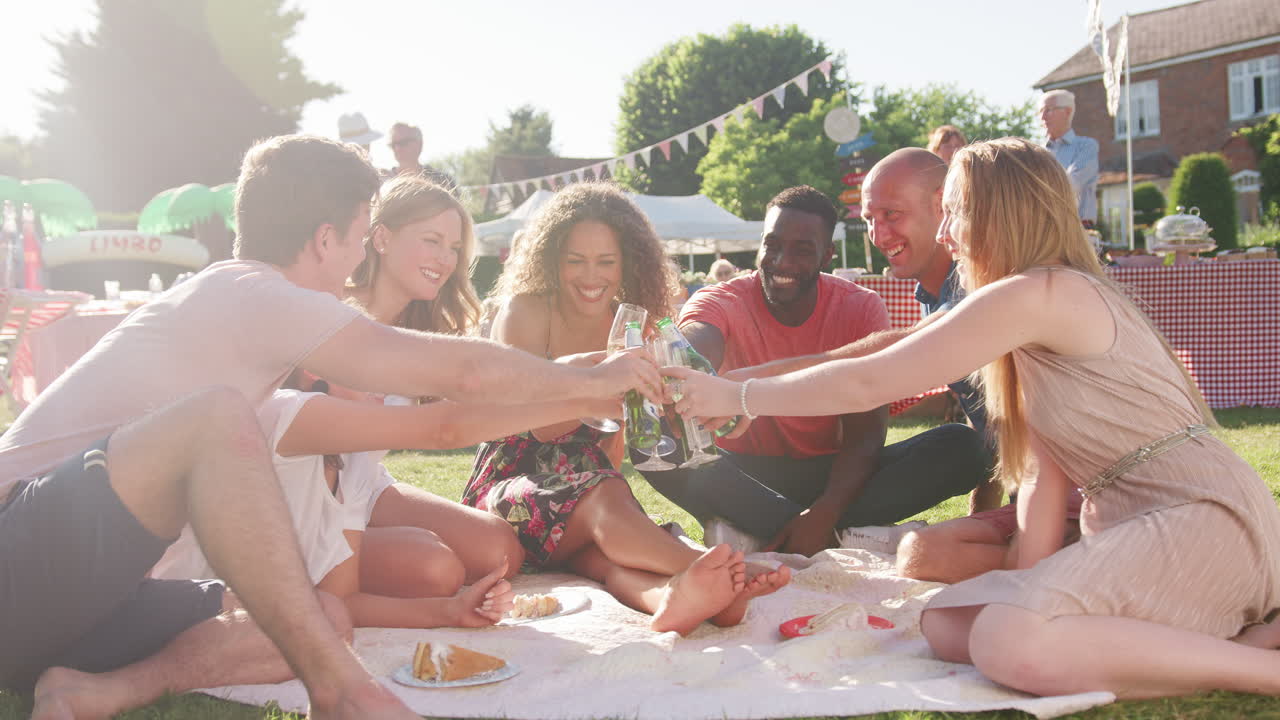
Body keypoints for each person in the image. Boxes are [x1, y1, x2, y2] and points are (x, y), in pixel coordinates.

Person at [0, 135, 660, 718]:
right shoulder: (245, 294)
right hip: (18, 555)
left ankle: (96, 691)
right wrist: (591, 382)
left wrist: (584, 381)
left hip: (73, 607)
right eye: (359, 238)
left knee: (319, 618)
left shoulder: (240, 351)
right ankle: (341, 693)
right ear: (324, 239)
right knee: (218, 415)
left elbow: (448, 422)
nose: (356, 263)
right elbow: (460, 379)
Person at [669, 137, 1280, 701]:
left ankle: (1258, 666)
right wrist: (1027, 585)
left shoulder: (1041, 292)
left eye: (955, 212)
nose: (946, 231)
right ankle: (1223, 640)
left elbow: (870, 379)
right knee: (945, 621)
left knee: (1003, 640)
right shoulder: (1029, 306)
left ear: (999, 215)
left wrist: (736, 397)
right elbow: (1040, 477)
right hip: (1148, 524)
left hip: (1200, 518)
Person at [466, 182, 790, 635]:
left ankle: (678, 598)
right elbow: (537, 426)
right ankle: (713, 567)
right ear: (552, 259)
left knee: (608, 557)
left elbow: (624, 441)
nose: (590, 276)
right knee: (603, 499)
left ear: (628, 262)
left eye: (606, 261)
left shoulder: (634, 326)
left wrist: (712, 410)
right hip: (509, 488)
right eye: (575, 260)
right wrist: (602, 386)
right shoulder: (526, 311)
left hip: (588, 497)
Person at [635, 185, 988, 557]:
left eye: (802, 250)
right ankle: (846, 536)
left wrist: (824, 513)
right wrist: (678, 361)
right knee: (653, 445)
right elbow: (694, 344)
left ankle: (756, 531)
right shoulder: (721, 298)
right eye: (772, 245)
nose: (782, 261)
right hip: (740, 476)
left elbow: (865, 436)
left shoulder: (859, 307)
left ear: (827, 254)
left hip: (831, 475)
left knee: (965, 446)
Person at [1039, 89, 1099, 228]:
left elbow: (1071, 185)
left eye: (1048, 110)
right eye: (1040, 111)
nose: (1042, 117)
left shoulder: (1086, 146)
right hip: (1044, 230)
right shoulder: (1037, 152)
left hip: (1078, 230)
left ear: (1067, 112)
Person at [385, 122, 457, 190]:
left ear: (419, 144)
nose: (397, 148)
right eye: (393, 144)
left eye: (403, 142)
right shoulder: (384, 181)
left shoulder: (442, 181)